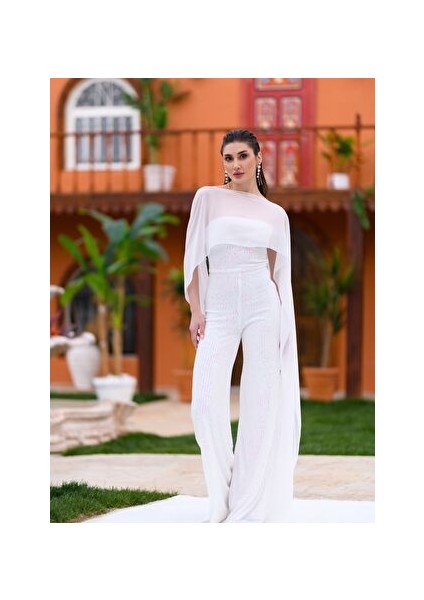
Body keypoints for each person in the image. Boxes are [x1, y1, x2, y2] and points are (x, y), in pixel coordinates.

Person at [183, 129, 301, 523]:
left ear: (258, 158)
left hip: (262, 305)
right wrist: (196, 310)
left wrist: (283, 325)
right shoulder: (208, 198)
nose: (235, 165)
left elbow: (277, 274)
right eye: (228, 158)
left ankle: (247, 503)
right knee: (204, 404)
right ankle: (223, 497)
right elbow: (194, 258)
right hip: (218, 308)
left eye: (242, 156)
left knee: (261, 404)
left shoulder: (275, 214)